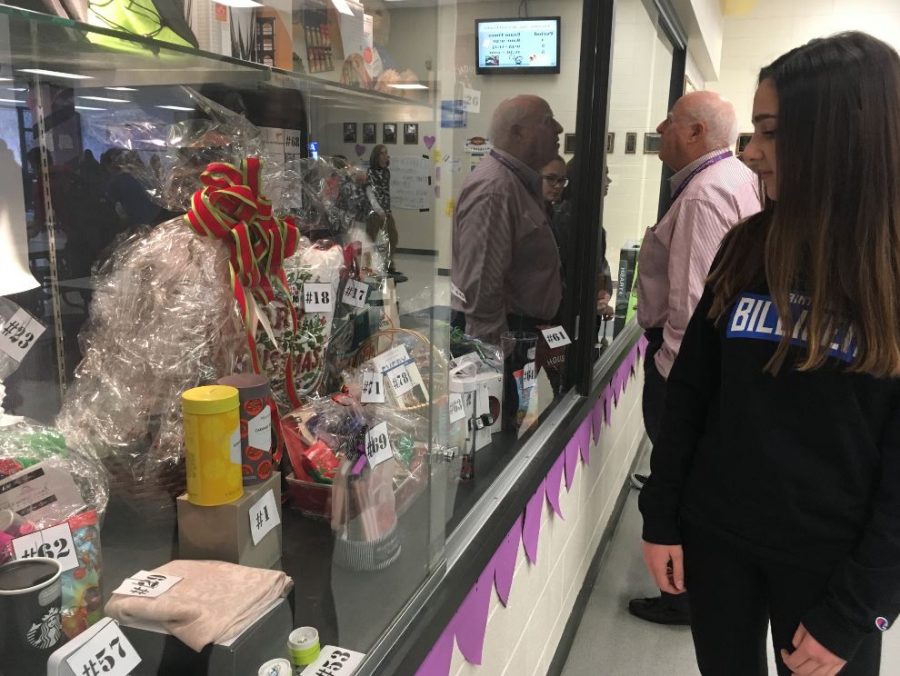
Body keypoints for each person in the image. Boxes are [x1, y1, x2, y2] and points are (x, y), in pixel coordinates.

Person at [639, 31, 900, 676]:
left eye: (770, 132)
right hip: (717, 540)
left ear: (839, 135)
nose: (750, 154)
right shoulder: (747, 245)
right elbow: (691, 393)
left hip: (829, 568)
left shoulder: (887, 274)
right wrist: (661, 515)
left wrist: (861, 608)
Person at [628, 90, 762, 625]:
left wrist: (674, 385)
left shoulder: (705, 195)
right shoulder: (734, 180)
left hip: (684, 369)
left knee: (680, 480)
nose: (661, 127)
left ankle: (682, 596)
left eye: (673, 122)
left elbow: (692, 307)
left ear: (698, 133)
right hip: (716, 370)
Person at [451, 95, 564, 343]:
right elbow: (481, 293)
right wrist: (497, 363)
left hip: (519, 330)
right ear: (519, 133)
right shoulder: (496, 190)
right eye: (548, 121)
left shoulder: (515, 182)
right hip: (504, 338)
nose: (559, 129)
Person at [366, 144, 398, 260]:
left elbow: (386, 192)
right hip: (374, 212)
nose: (386, 156)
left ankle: (388, 265)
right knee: (371, 239)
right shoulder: (370, 172)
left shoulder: (386, 172)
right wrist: (378, 210)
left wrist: (387, 210)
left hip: (386, 211)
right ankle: (367, 267)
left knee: (392, 238)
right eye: (383, 153)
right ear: (377, 156)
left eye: (386, 153)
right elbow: (370, 193)